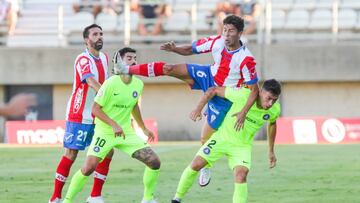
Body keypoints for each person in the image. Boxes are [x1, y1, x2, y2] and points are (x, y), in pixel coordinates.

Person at [114, 14, 259, 186]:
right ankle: (125, 69)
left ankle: (206, 164)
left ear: (240, 33)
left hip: (222, 94)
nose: (226, 35)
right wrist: (174, 49)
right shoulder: (217, 42)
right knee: (169, 68)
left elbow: (254, 90)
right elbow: (191, 49)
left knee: (205, 139)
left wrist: (243, 112)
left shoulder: (246, 59)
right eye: (225, 30)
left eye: (231, 31)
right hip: (208, 75)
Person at [63, 47, 161, 203]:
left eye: (135, 58)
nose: (134, 61)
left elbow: (134, 106)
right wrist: (113, 124)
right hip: (105, 133)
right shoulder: (110, 83)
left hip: (126, 134)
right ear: (120, 62)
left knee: (154, 162)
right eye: (129, 58)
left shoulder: (138, 84)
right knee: (88, 168)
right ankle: (67, 201)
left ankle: (148, 199)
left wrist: (143, 128)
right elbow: (95, 109)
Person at [171, 79, 281, 203]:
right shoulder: (242, 95)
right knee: (196, 164)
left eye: (274, 100)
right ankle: (176, 198)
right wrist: (198, 109)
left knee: (241, 175)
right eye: (269, 98)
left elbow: (272, 124)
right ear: (260, 92)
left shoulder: (274, 110)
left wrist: (271, 151)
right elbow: (214, 90)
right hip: (222, 138)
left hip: (242, 146)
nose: (271, 103)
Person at [49, 24, 113, 203]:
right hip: (80, 114)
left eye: (101, 33)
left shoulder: (105, 58)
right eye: (95, 34)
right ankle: (55, 197)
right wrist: (109, 97)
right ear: (87, 39)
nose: (99, 37)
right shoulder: (83, 59)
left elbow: (107, 82)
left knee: (107, 151)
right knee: (71, 154)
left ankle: (95, 196)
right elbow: (91, 81)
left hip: (98, 114)